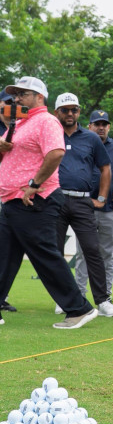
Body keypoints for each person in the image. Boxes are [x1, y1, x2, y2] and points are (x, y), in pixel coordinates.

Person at [0, 77, 97, 329]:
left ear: (39, 97)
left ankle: (79, 309)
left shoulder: (46, 120)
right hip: (12, 200)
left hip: (34, 199)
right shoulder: (19, 123)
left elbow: (55, 153)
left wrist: (33, 184)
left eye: (23, 93)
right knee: (4, 255)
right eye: (15, 94)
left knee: (44, 255)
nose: (17, 98)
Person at [50, 93, 113, 318]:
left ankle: (103, 301)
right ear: (56, 112)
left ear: (79, 112)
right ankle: (64, 300)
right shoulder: (50, 134)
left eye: (74, 110)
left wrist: (101, 196)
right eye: (65, 110)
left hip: (82, 200)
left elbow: (105, 167)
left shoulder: (91, 138)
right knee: (55, 252)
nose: (70, 114)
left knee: (92, 249)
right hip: (55, 199)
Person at [74, 110, 113, 308]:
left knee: (107, 254)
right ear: (90, 126)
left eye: (104, 124)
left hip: (110, 209)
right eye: (97, 124)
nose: (101, 127)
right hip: (85, 208)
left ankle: (105, 297)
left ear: (108, 126)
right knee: (83, 253)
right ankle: (79, 297)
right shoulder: (81, 143)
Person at [0, 91, 17, 315]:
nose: (11, 107)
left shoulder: (22, 128)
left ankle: (1, 297)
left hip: (11, 196)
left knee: (10, 250)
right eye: (6, 103)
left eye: (14, 103)